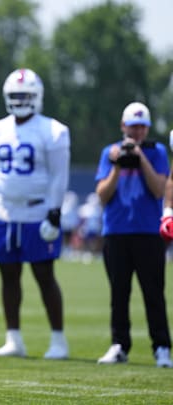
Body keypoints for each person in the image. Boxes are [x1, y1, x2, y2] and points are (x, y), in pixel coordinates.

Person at [0, 68, 70, 360]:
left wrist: (54, 212)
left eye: (26, 95)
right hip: (3, 211)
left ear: (37, 97)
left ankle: (58, 340)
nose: (20, 100)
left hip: (37, 211)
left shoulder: (54, 130)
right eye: (16, 95)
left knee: (44, 274)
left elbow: (58, 176)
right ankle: (13, 338)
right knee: (8, 275)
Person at [98, 101, 172, 367]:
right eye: (133, 126)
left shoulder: (157, 152)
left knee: (153, 292)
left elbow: (158, 189)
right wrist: (117, 165)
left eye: (142, 127)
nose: (138, 132)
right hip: (116, 232)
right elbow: (103, 195)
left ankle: (162, 347)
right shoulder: (110, 152)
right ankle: (119, 345)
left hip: (148, 232)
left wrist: (140, 158)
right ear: (123, 126)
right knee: (119, 293)